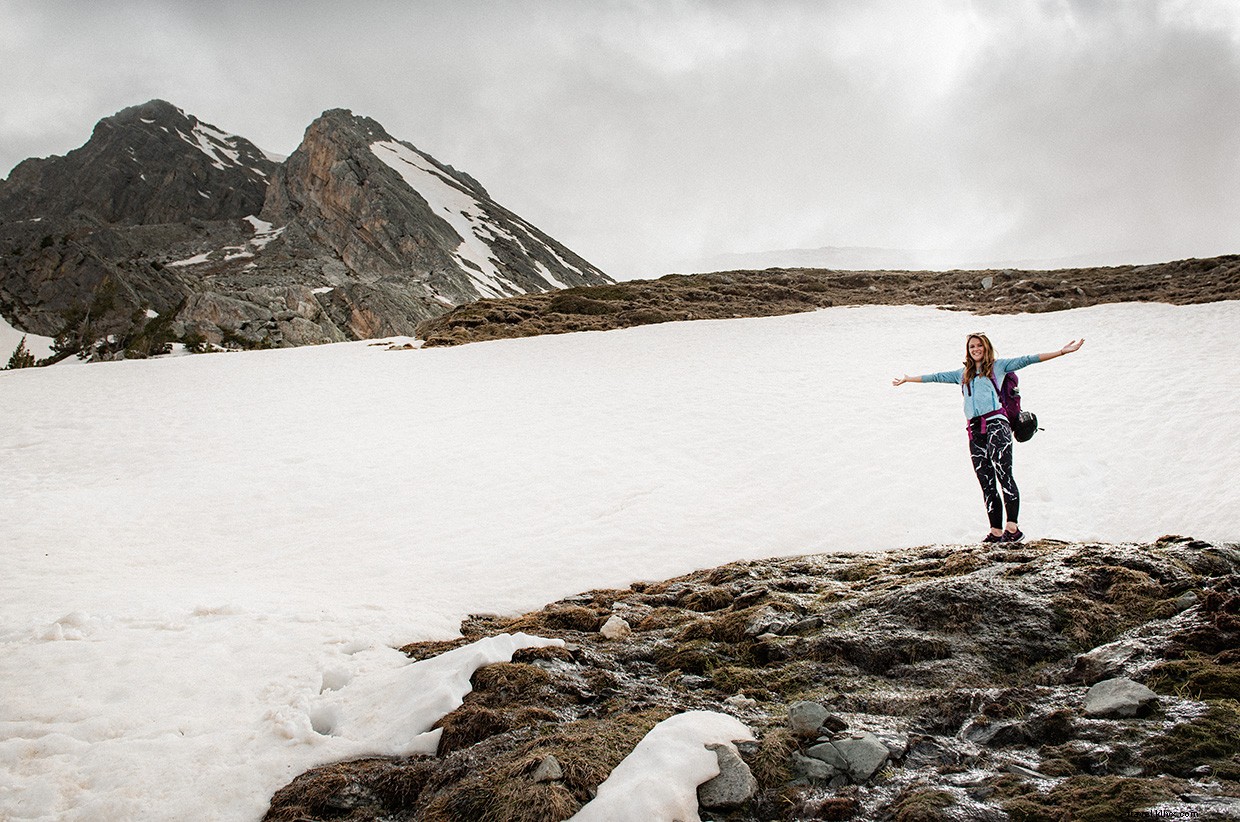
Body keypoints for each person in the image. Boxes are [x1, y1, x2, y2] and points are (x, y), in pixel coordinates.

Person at [892, 333, 1084, 544]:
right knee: (986, 481)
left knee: (1004, 474)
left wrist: (1061, 352)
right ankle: (995, 531)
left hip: (996, 424)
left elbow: (1028, 359)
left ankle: (1013, 528)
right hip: (974, 430)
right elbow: (936, 376)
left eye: (979, 346)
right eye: (972, 346)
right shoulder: (962, 374)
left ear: (986, 348)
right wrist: (909, 379)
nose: (976, 349)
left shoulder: (999, 367)